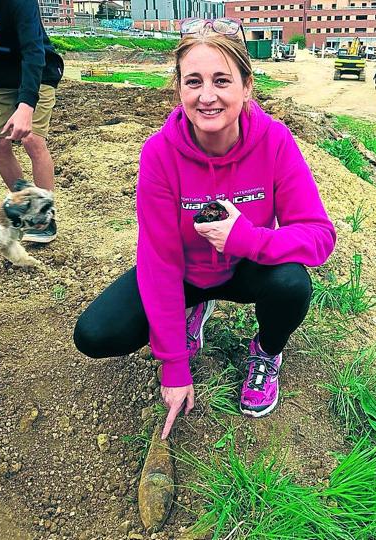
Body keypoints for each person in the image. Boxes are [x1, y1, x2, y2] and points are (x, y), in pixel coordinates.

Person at [74, 18, 337, 440]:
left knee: (291, 282)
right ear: (177, 88)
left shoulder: (275, 142)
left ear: (247, 86)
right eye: (193, 81)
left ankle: (266, 352)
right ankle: (191, 311)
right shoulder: (160, 154)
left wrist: (246, 239)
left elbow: (319, 236)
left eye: (221, 80)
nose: (207, 96)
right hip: (186, 275)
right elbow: (158, 261)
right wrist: (174, 365)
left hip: (243, 269)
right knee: (94, 334)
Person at [0, 0, 64, 243]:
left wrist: (26, 104)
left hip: (37, 72)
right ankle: (27, 209)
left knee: (32, 139)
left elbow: (33, 51)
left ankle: (43, 218)